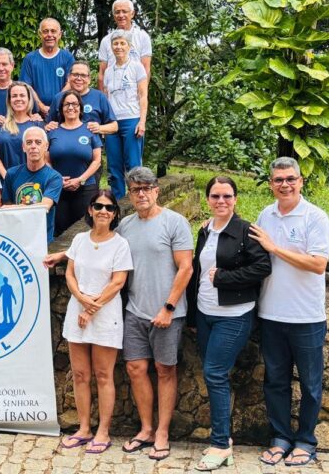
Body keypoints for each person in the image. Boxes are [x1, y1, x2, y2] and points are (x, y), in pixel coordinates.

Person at [249, 157, 329, 468]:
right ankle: (280, 438)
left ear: (300, 181)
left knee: (310, 384)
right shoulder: (265, 215)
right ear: (271, 184)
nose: (284, 184)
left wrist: (276, 249)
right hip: (271, 313)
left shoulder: (315, 217)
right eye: (278, 180)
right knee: (275, 381)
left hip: (306, 317)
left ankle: (306, 442)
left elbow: (317, 264)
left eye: (290, 179)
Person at [185, 176, 272, 471]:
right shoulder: (205, 230)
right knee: (214, 376)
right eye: (215, 196)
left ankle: (220, 444)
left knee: (215, 373)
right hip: (206, 314)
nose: (221, 201)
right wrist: (194, 317)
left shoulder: (246, 231)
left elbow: (262, 267)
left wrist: (224, 278)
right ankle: (224, 442)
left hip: (234, 316)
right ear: (207, 199)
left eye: (226, 196)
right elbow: (198, 272)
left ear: (235, 199)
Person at [44, 190, 133, 455]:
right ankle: (83, 428)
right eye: (98, 206)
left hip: (105, 314)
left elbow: (118, 282)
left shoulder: (120, 244)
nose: (103, 211)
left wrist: (92, 308)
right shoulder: (80, 240)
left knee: (104, 374)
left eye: (108, 207)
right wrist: (82, 300)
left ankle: (103, 431)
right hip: (78, 310)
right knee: (81, 375)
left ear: (115, 213)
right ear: (90, 210)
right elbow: (70, 274)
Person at [116, 166, 193, 460]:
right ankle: (146, 429)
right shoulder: (125, 226)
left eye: (147, 188)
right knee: (135, 369)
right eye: (136, 189)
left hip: (168, 312)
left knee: (165, 370)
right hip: (135, 310)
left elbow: (186, 268)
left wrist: (169, 307)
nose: (142, 193)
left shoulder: (175, 222)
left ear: (157, 191)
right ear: (130, 193)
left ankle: (162, 432)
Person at [46, 91, 102, 236]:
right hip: (59, 189)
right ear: (61, 108)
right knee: (60, 232)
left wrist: (80, 179)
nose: (71, 107)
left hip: (86, 188)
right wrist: (57, 179)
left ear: (80, 107)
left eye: (74, 104)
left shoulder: (90, 130)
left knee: (86, 231)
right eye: (67, 104)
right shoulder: (52, 131)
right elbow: (45, 161)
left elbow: (97, 160)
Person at [103, 30, 148, 199]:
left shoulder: (137, 67)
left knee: (133, 165)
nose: (119, 47)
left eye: (122, 43)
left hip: (132, 119)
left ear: (129, 46)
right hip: (113, 122)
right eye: (116, 43)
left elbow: (143, 96)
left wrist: (142, 121)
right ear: (111, 47)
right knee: (114, 165)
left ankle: (136, 200)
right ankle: (118, 202)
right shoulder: (108, 71)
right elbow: (107, 98)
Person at [2, 126, 63, 243]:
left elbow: (44, 207)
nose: (33, 146)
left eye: (38, 142)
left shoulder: (54, 177)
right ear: (23, 147)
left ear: (46, 146)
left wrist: (14, 208)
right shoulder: (11, 174)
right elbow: (7, 205)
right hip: (17, 237)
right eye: (29, 143)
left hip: (42, 238)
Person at [45, 61, 118, 136]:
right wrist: (48, 126)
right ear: (69, 77)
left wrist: (99, 128)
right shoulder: (58, 98)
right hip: (62, 144)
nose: (79, 78)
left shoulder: (99, 97)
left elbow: (114, 126)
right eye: (75, 74)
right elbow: (47, 124)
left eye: (83, 75)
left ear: (89, 79)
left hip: (91, 145)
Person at [19, 18, 75, 116]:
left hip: (62, 113)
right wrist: (41, 106)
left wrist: (56, 104)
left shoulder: (67, 57)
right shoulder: (30, 58)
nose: (49, 35)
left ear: (60, 34)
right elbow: (26, 86)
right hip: (35, 115)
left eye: (53, 31)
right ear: (40, 34)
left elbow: (70, 83)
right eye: (45, 31)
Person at [0, 81, 43, 179]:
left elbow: (44, 155)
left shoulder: (37, 124)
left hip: (32, 181)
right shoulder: (0, 124)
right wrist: (6, 176)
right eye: (14, 96)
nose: (18, 99)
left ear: (28, 99)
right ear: (9, 100)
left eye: (22, 95)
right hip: (6, 181)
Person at [97, 0, 152, 92]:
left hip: (134, 95)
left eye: (124, 11)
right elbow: (102, 73)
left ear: (132, 14)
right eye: (117, 12)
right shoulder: (106, 41)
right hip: (112, 94)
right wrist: (103, 100)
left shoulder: (142, 37)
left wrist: (141, 95)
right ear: (114, 15)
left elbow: (146, 69)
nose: (121, 15)